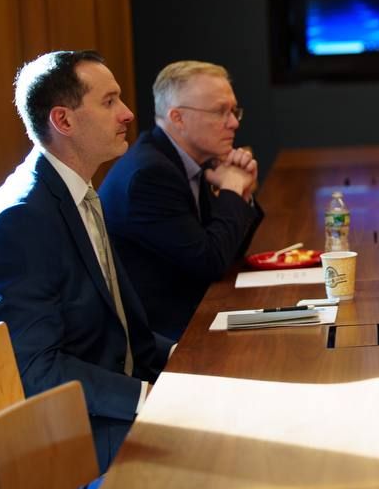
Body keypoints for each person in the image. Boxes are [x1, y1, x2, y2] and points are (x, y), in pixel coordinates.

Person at [0, 51, 174, 486]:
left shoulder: (78, 191)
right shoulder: (22, 217)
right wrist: (148, 397)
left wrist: (185, 358)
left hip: (107, 408)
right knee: (215, 448)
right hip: (66, 440)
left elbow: (119, 329)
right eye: (109, 101)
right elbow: (35, 368)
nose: (127, 113)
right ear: (63, 121)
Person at [100, 61, 263, 340]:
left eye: (234, 111)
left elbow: (227, 252)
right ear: (178, 118)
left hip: (196, 310)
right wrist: (233, 189)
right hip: (164, 337)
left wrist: (241, 195)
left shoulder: (188, 159)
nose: (234, 122)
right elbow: (210, 262)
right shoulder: (150, 175)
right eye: (220, 112)